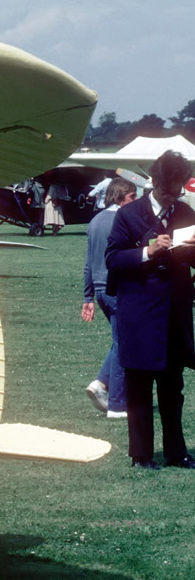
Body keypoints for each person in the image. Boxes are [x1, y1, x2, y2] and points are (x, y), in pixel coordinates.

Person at [105, 152, 195, 468]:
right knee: (140, 388)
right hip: (140, 314)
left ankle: (176, 452)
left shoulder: (185, 212)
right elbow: (113, 259)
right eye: (168, 191)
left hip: (174, 316)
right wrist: (147, 251)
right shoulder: (129, 215)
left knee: (173, 388)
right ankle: (141, 455)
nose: (173, 197)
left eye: (178, 190)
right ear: (154, 183)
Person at [83, 178, 136, 418]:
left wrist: (88, 296)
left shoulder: (95, 221)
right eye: (132, 197)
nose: (135, 202)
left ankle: (100, 384)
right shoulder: (123, 220)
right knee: (124, 344)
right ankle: (116, 403)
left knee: (119, 341)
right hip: (117, 288)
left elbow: (88, 263)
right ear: (121, 196)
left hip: (100, 289)